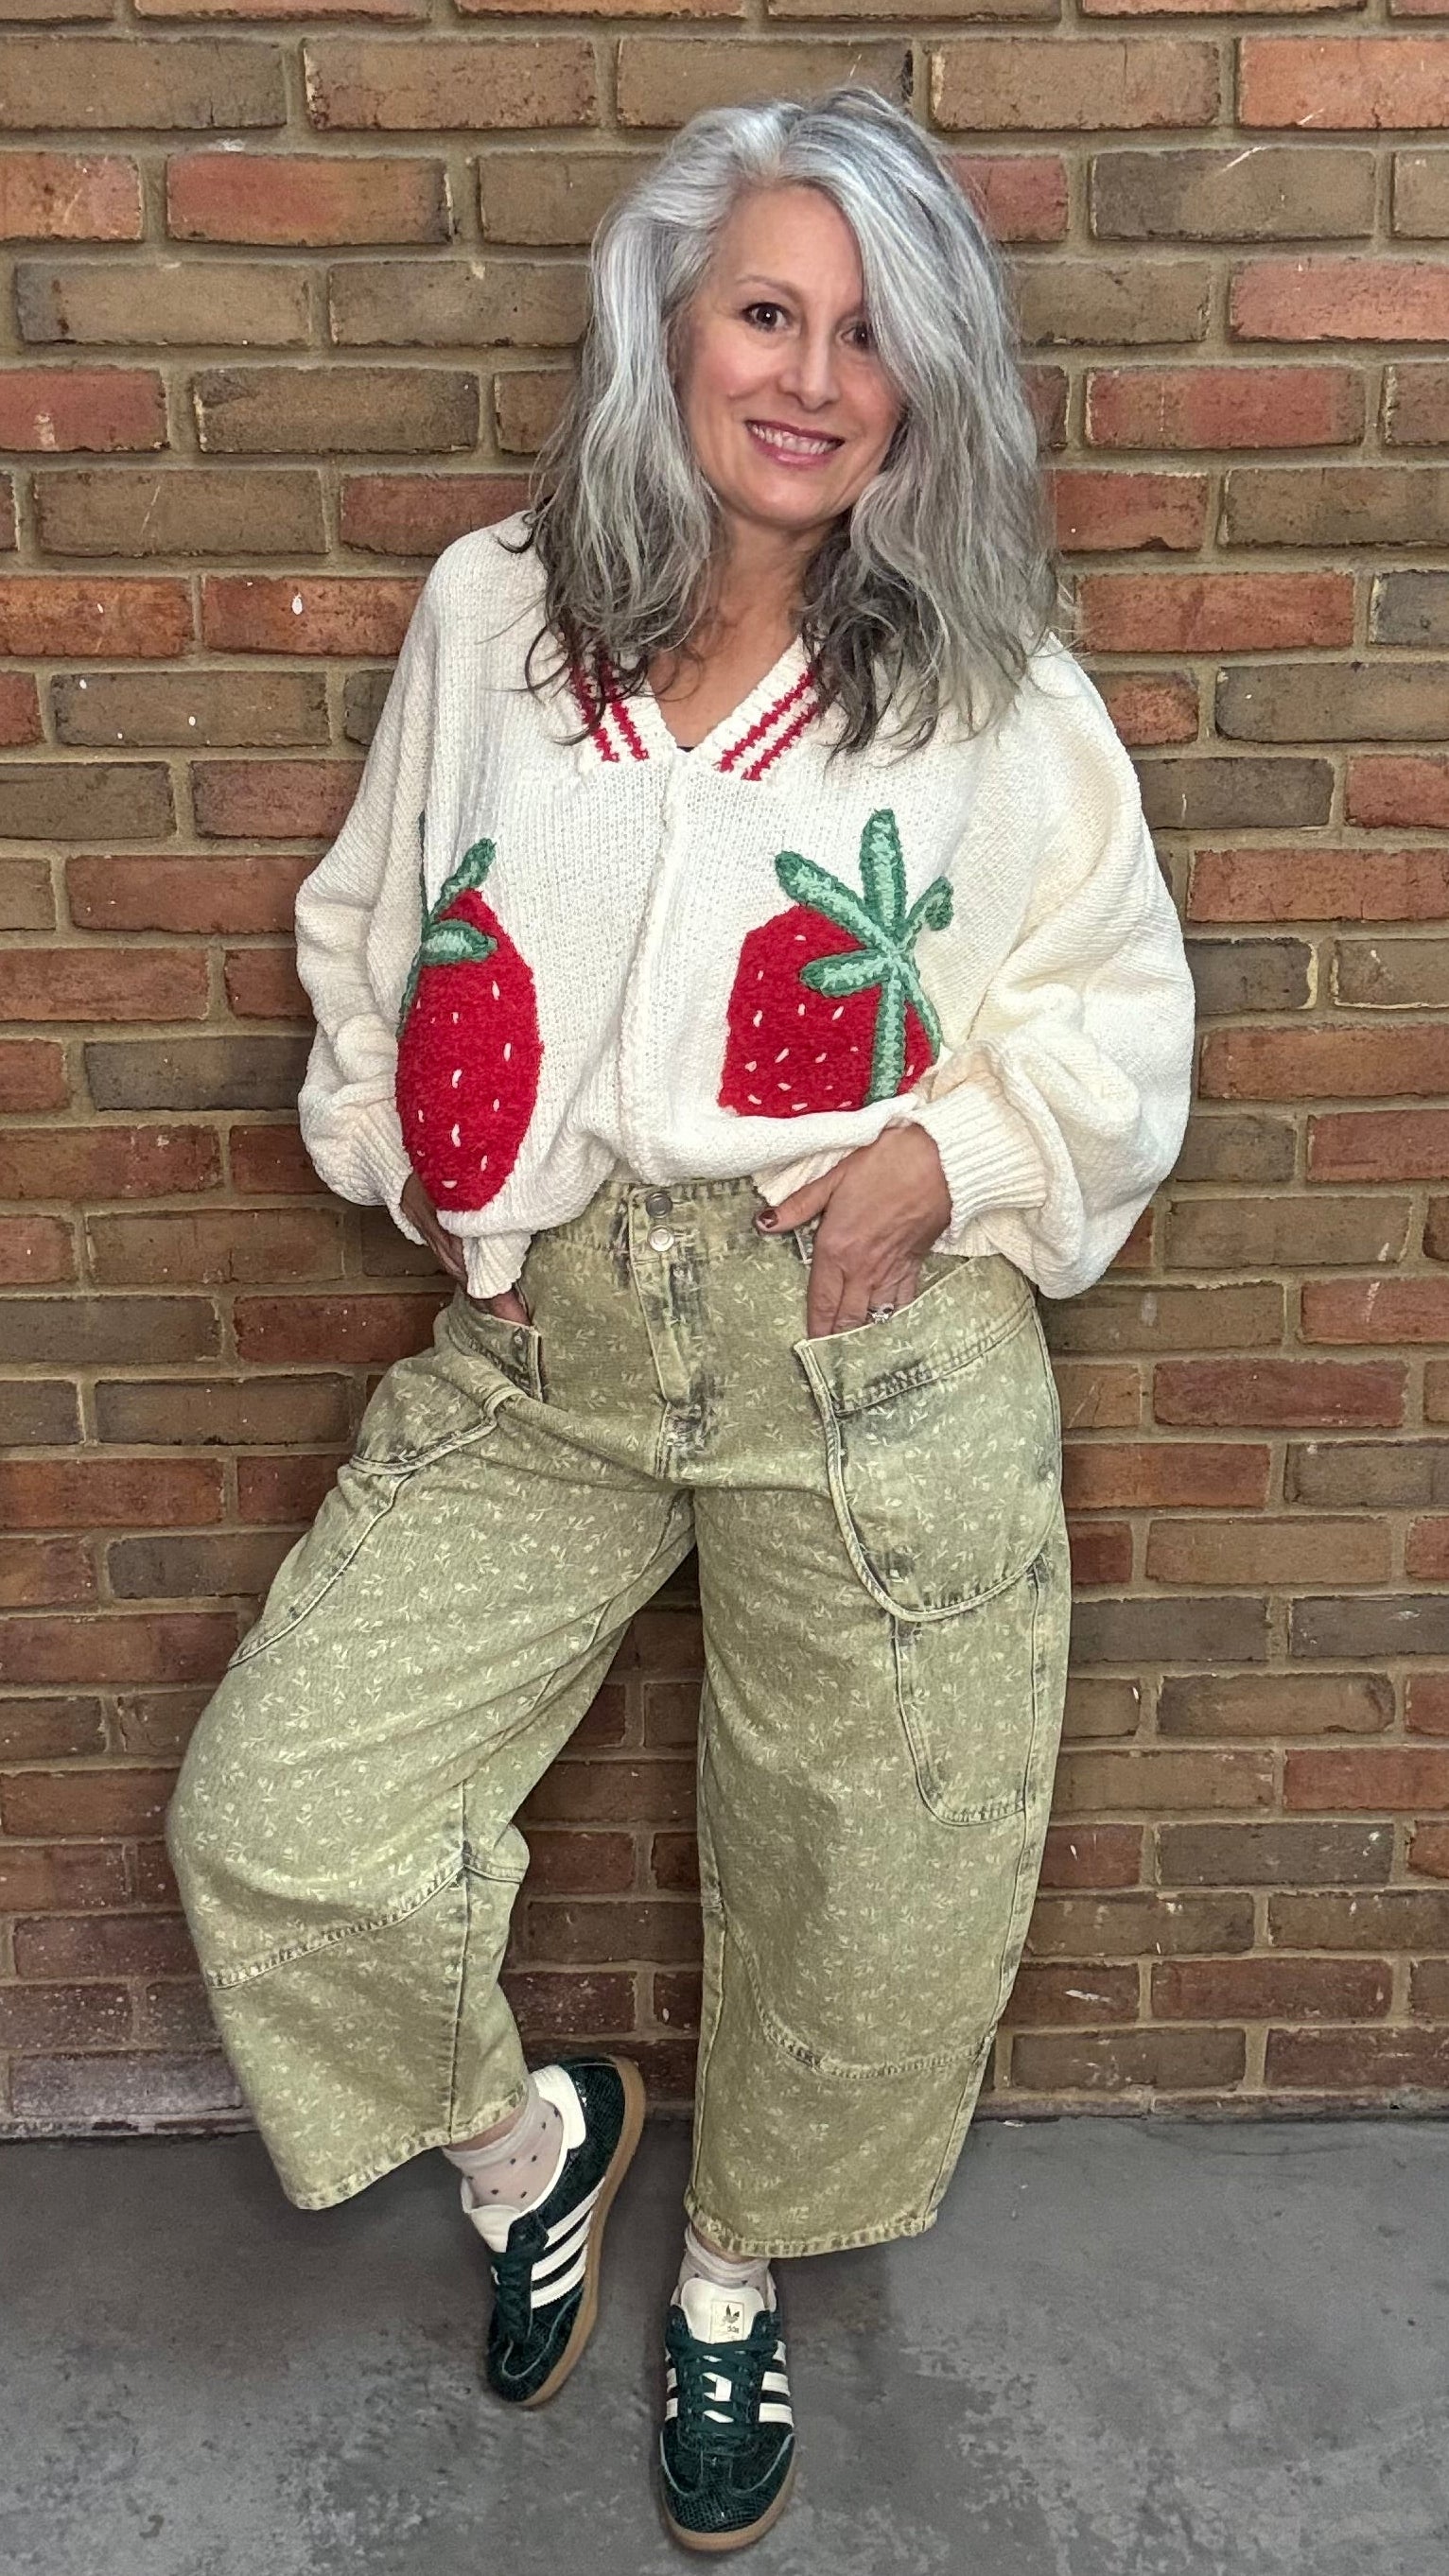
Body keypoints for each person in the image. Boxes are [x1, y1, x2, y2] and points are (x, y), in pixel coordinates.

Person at [166, 85, 1196, 2554]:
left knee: (868, 1873)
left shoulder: (981, 685)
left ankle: (728, 2264)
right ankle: (540, 2146)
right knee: (281, 1820)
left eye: (868, 334)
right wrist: (413, 1148)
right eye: (765, 309)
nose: (810, 375)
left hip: (865, 1338)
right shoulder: (493, 613)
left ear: (923, 384)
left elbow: (1118, 1008)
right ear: (669, 325)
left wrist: (948, 1157)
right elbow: (370, 925)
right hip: (556, 1339)